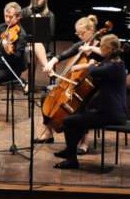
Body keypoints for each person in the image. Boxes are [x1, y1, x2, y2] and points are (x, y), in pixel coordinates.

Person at [54, 34, 127, 170]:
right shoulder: (116, 62)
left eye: (102, 47)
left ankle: (71, 160)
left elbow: (94, 71)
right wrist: (91, 54)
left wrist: (90, 64)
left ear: (108, 49)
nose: (100, 49)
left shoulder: (112, 67)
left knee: (68, 121)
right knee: (78, 120)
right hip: (109, 111)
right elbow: (99, 64)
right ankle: (70, 151)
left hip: (110, 114)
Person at [36, 15, 103, 151]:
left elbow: (102, 62)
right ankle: (48, 132)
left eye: (82, 33)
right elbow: (64, 54)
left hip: (95, 85)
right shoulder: (82, 44)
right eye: (78, 34)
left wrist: (87, 58)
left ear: (91, 30)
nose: (80, 36)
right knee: (46, 95)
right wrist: (51, 62)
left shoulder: (101, 45)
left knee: (83, 106)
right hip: (76, 85)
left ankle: (84, 140)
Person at [23, 0, 56, 73]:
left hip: (43, 43)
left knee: (34, 47)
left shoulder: (50, 14)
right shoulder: (25, 11)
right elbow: (21, 30)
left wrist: (40, 22)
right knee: (32, 47)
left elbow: (51, 34)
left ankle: (30, 80)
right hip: (26, 42)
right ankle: (49, 70)